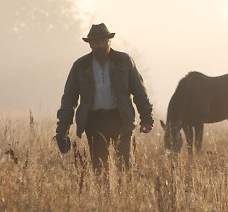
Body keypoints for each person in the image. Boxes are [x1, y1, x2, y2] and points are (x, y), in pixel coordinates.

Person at [54, 23, 154, 173]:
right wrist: (62, 130)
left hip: (120, 119)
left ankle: (124, 193)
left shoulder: (124, 61)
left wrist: (146, 118)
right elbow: (69, 100)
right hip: (94, 122)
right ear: (90, 44)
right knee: (99, 168)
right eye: (96, 41)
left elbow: (139, 92)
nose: (100, 45)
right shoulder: (80, 66)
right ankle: (104, 195)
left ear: (110, 41)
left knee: (124, 166)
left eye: (103, 41)